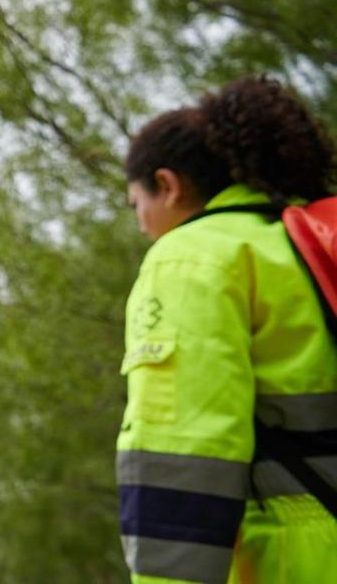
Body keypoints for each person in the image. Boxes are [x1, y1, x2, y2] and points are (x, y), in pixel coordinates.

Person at [118, 76, 337, 583]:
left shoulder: (192, 259)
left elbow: (182, 449)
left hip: (291, 560)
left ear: (168, 185)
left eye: (138, 205)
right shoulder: (299, 242)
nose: (142, 224)